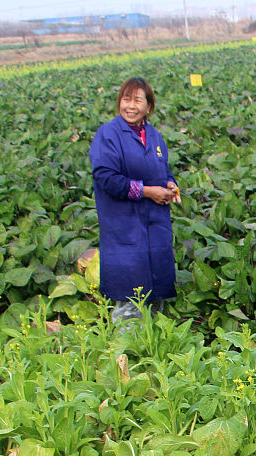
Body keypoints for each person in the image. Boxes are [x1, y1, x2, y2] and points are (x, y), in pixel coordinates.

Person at [89, 77, 180, 325]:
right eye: (126, 99)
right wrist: (148, 192)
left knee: (155, 301)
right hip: (125, 229)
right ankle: (126, 357)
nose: (131, 106)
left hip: (155, 228)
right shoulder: (107, 135)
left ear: (148, 107)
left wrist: (171, 184)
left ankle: (154, 354)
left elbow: (163, 171)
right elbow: (107, 178)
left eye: (137, 100)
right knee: (129, 302)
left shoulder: (155, 137)